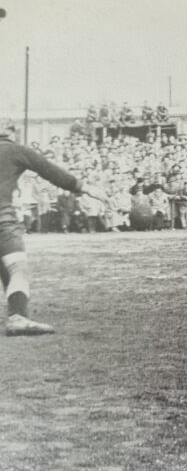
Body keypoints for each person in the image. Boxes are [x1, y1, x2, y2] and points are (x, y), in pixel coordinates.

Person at [0, 123, 106, 335]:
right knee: (16, 267)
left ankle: (16, 313)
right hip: (2, 220)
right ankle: (17, 316)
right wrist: (85, 188)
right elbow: (50, 171)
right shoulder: (14, 149)